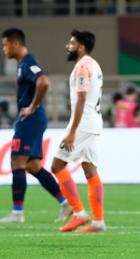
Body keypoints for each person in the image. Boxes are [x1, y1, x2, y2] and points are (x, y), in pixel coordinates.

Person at [0, 28, 71, 223]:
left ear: (16, 44)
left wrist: (32, 106)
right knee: (32, 166)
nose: (4, 49)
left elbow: (44, 81)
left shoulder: (28, 62)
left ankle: (17, 213)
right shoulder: (22, 64)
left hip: (30, 118)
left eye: (5, 45)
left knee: (17, 162)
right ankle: (65, 203)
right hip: (33, 119)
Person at [50, 29, 105, 232]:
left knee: (56, 166)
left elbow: (81, 99)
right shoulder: (95, 65)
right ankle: (98, 222)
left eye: (72, 43)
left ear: (81, 46)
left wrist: (72, 132)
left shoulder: (82, 67)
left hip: (82, 124)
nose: (68, 46)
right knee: (90, 169)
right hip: (94, 123)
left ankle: (79, 213)